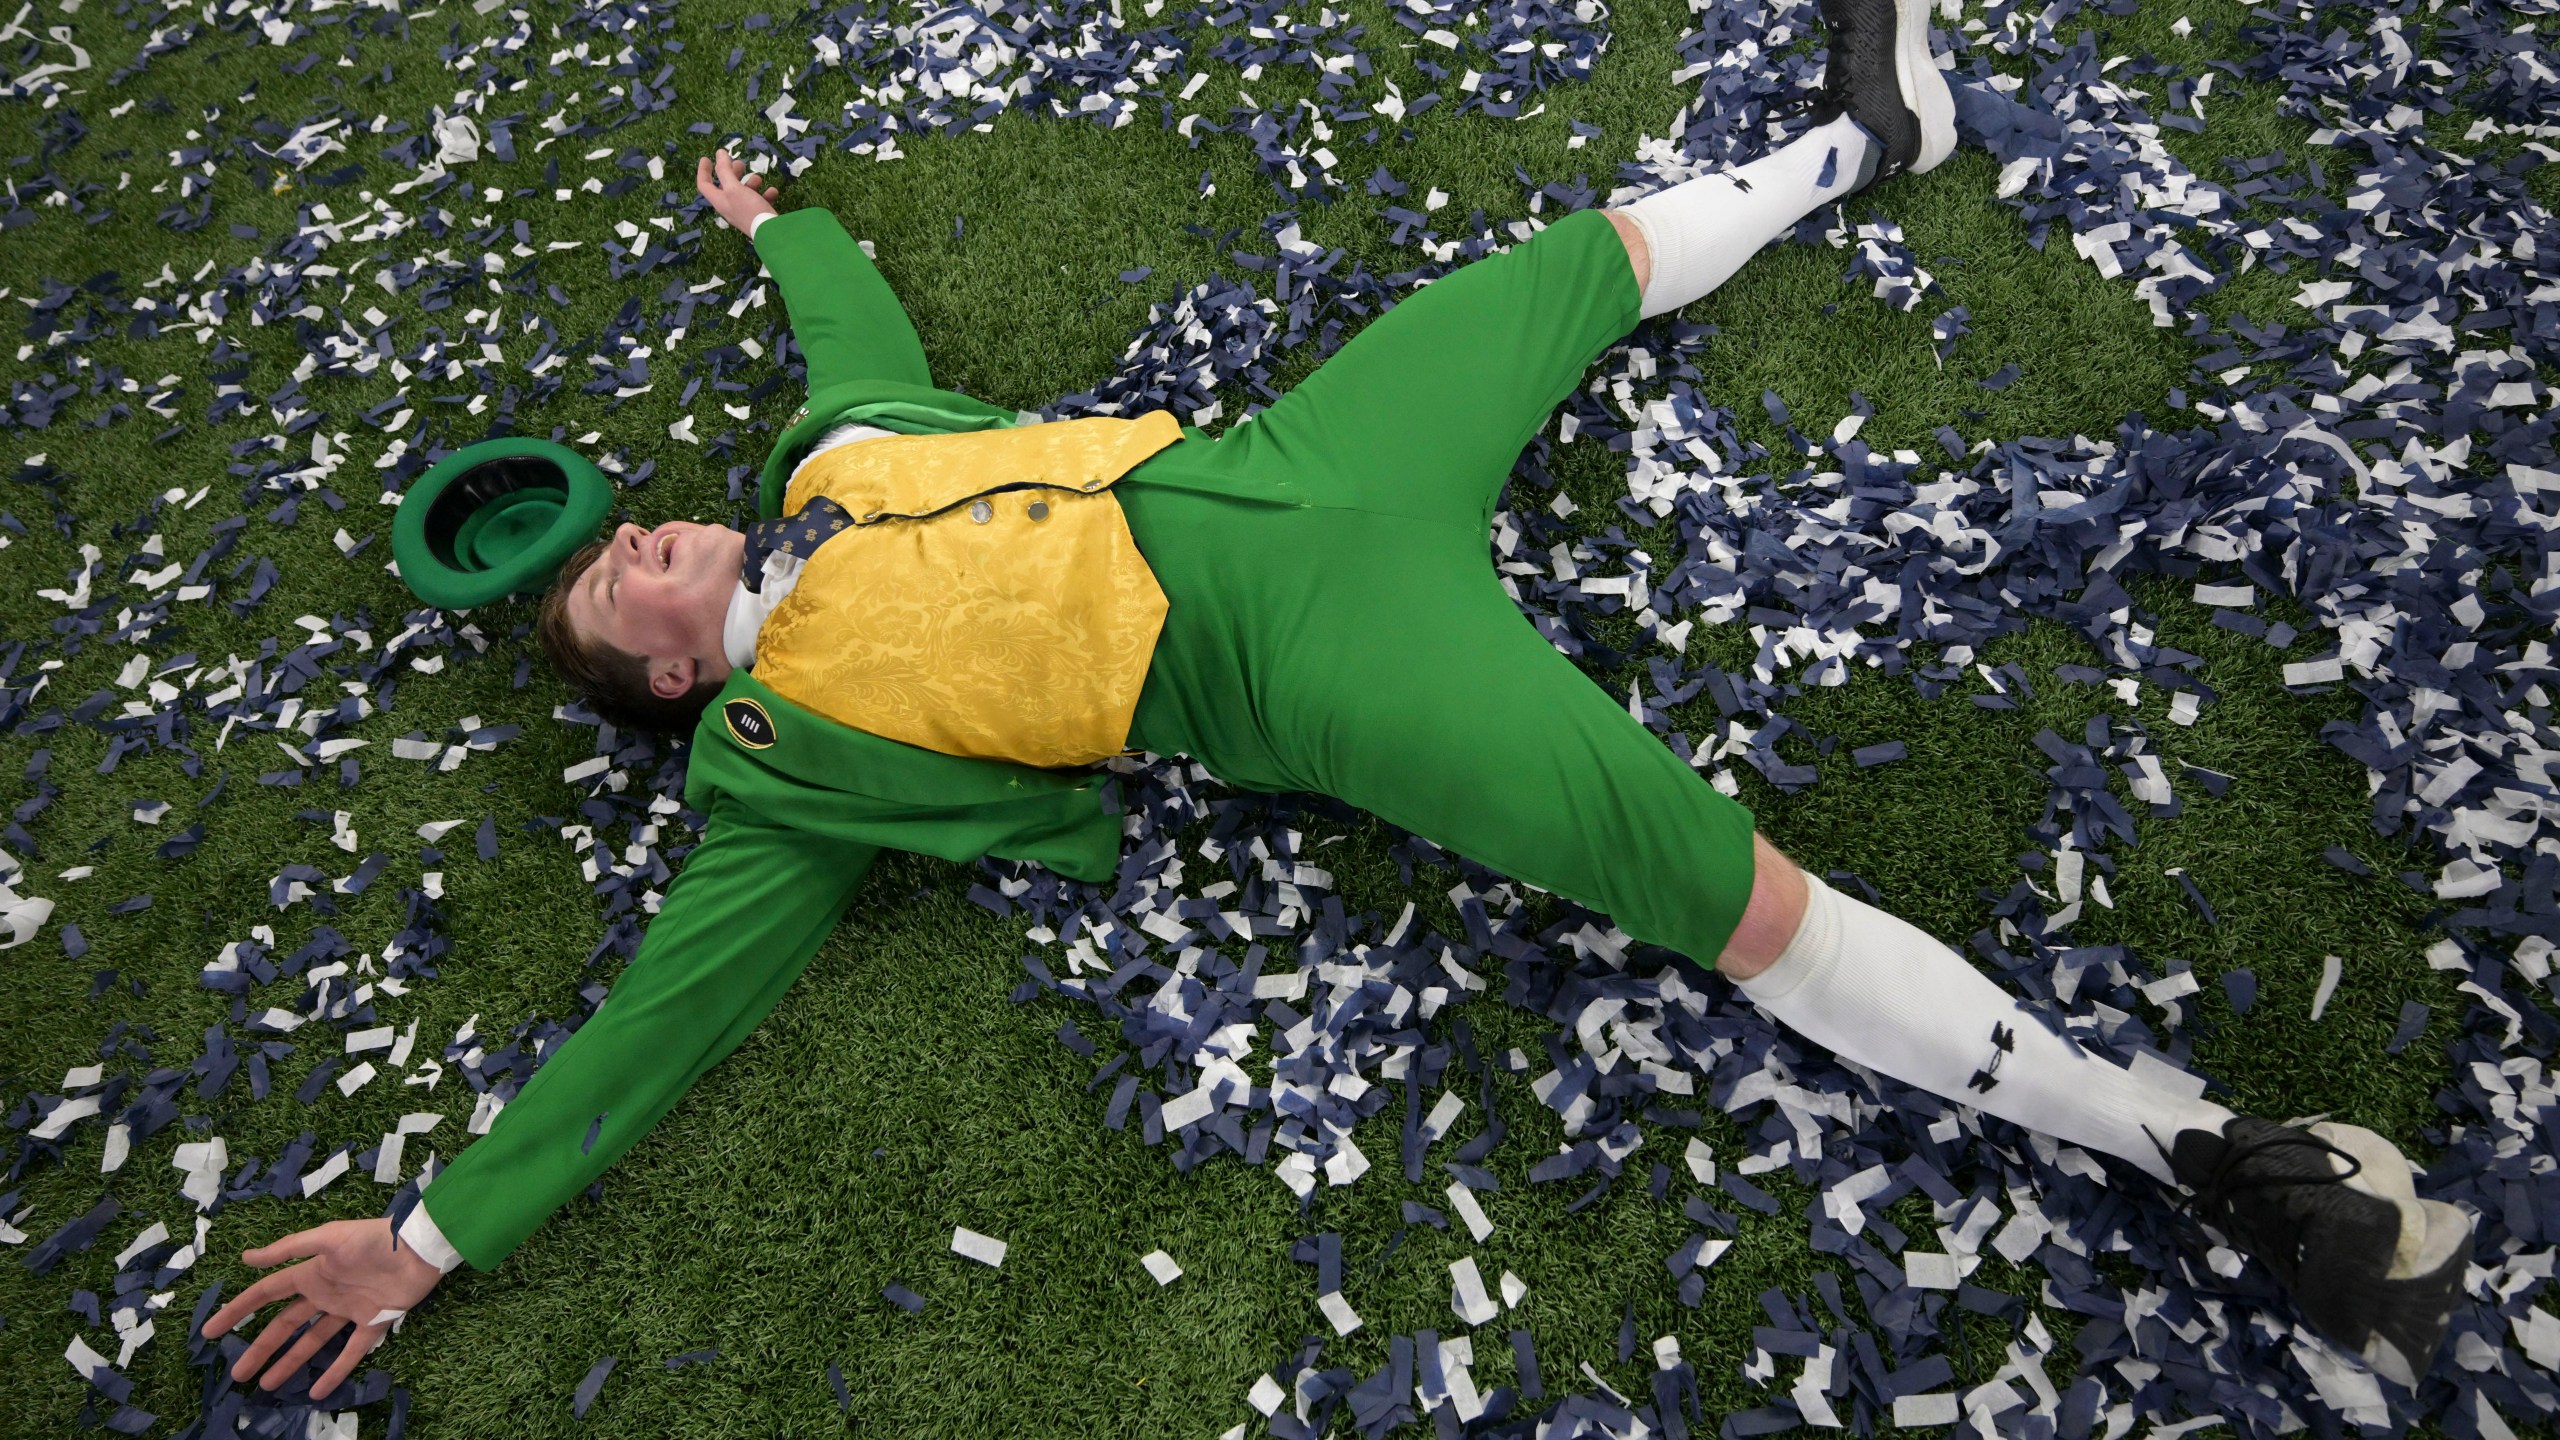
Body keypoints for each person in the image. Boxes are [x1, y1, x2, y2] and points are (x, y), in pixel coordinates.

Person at [206, 0, 2471, 1405]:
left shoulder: (829, 455)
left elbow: (835, 331)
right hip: (1301, 669)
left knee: (1556, 270)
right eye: (615, 594)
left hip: (1299, 461)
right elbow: (656, 1017)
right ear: (671, 678)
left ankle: (1868, 136)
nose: (630, 546)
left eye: (618, 532)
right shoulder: (772, 770)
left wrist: (770, 223)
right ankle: (2182, 1141)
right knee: (1724, 893)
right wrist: (426, 1242)